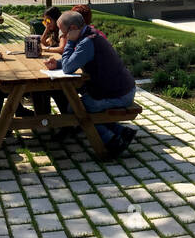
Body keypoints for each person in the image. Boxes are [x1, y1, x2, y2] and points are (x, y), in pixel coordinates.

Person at [46, 11, 137, 156]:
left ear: (73, 28)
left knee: (75, 107)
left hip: (119, 95)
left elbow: (69, 67)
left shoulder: (87, 42)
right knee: (81, 103)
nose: (61, 36)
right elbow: (76, 60)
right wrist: (57, 63)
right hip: (123, 89)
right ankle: (121, 131)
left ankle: (111, 140)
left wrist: (69, 42)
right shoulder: (90, 34)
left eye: (63, 33)